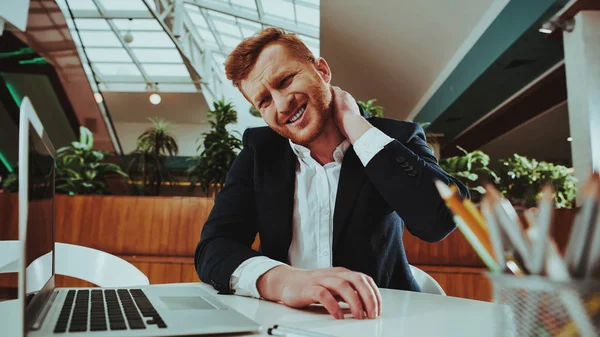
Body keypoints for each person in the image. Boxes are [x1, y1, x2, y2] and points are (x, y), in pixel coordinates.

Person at [195, 27, 469, 320]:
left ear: (322, 71)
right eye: (264, 100)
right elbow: (214, 247)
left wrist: (356, 126)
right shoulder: (258, 152)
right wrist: (286, 281)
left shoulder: (394, 138)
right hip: (283, 321)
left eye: (286, 80)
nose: (282, 104)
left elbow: (437, 221)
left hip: (381, 321)